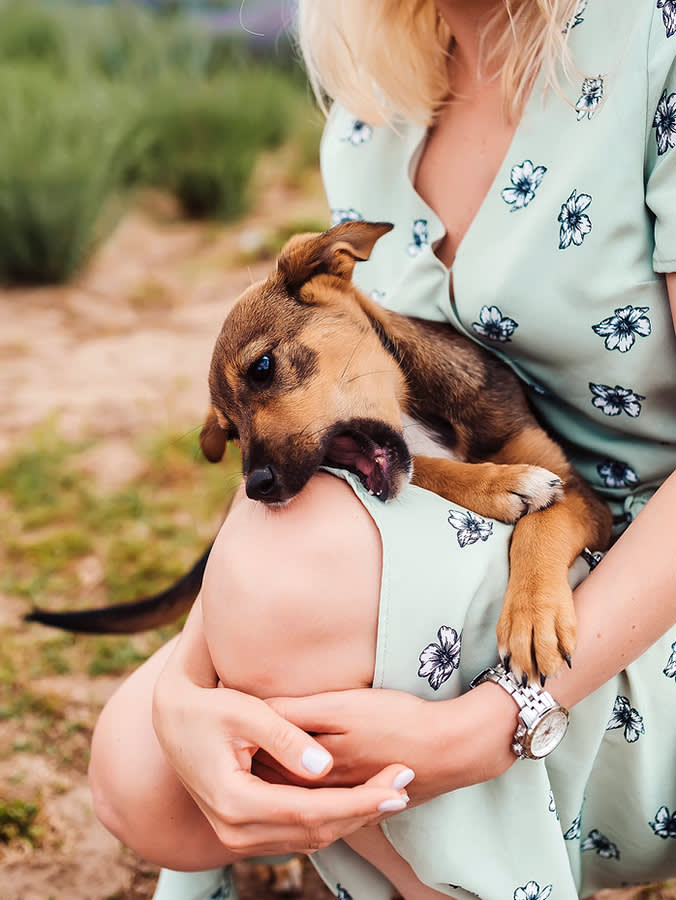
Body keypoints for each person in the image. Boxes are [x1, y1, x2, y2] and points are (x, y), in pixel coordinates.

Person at [88, 1, 676, 898]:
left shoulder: (655, 45)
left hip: (641, 592)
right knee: (140, 770)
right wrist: (188, 681)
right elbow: (344, 424)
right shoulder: (373, 107)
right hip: (467, 527)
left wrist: (494, 722)